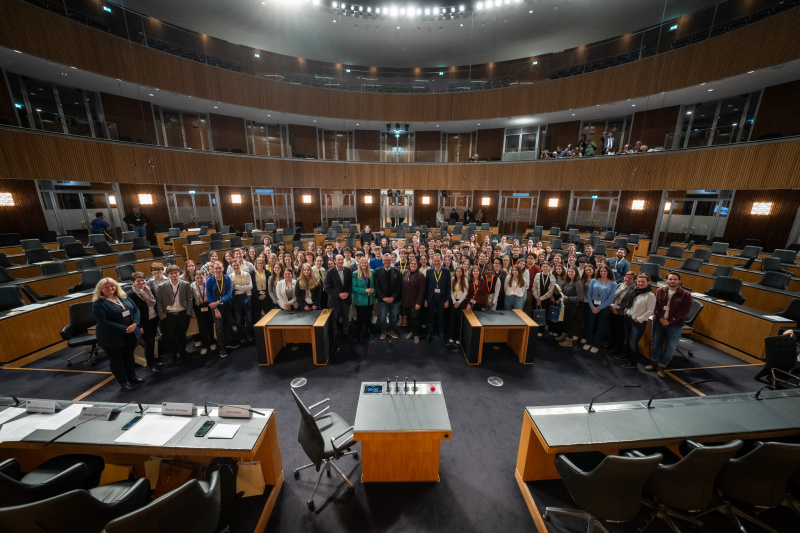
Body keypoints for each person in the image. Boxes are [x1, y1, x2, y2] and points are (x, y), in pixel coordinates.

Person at [92, 277, 142, 391]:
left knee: (129, 356)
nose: (110, 288)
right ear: (100, 289)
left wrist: (135, 323)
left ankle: (132, 377)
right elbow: (103, 322)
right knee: (117, 360)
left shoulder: (123, 297)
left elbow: (136, 310)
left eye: (112, 286)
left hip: (130, 333)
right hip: (112, 336)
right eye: (106, 287)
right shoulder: (98, 304)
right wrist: (125, 328)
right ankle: (124, 382)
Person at [649, 272, 693, 378]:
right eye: (670, 279)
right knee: (655, 344)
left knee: (670, 347)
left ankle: (661, 366)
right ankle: (653, 363)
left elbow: (684, 311)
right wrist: (660, 318)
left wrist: (670, 320)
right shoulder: (660, 291)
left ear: (679, 281)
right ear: (666, 280)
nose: (672, 281)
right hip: (659, 322)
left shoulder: (686, 294)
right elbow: (655, 306)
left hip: (675, 325)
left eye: (675, 279)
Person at [156, 264, 193, 365]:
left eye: (175, 273)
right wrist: (162, 316)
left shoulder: (185, 284)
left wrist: (188, 312)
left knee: (182, 335)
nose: (174, 275)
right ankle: (172, 355)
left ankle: (183, 352)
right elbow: (159, 302)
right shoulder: (161, 286)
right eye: (171, 273)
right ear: (167, 275)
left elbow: (190, 299)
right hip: (169, 316)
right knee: (170, 337)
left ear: (179, 273)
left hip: (182, 314)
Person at [129, 271, 163, 373]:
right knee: (149, 343)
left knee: (153, 341)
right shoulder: (131, 295)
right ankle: (151, 364)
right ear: (133, 282)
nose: (141, 283)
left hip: (153, 318)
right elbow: (133, 312)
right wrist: (139, 326)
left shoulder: (149, 289)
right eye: (138, 281)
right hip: (143, 323)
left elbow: (154, 304)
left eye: (143, 280)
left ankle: (154, 361)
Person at [619, 273, 656, 369]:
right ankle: (627, 356)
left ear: (648, 282)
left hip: (638, 321)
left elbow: (650, 311)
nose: (640, 283)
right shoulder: (635, 291)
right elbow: (631, 304)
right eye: (639, 281)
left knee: (633, 342)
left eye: (643, 281)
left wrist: (640, 319)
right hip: (628, 317)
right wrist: (627, 310)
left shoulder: (650, 295)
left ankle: (633, 362)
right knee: (627, 339)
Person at [584, 265, 617, 353]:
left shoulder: (613, 283)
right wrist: (592, 307)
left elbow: (610, 299)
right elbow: (589, 295)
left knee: (600, 327)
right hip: (592, 305)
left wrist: (599, 308)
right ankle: (588, 342)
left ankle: (597, 344)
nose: (602, 273)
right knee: (590, 325)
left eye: (604, 271)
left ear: (608, 272)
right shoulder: (594, 280)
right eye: (601, 271)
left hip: (604, 307)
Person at [207, 261, 236, 357]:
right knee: (219, 327)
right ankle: (222, 349)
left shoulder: (227, 278)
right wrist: (215, 308)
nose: (218, 270)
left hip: (226, 304)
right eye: (216, 268)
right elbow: (209, 296)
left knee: (227, 325)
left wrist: (219, 301)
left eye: (220, 268)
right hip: (216, 307)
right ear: (213, 269)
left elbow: (229, 293)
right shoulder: (209, 281)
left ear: (223, 268)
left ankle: (228, 343)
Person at [609, 270, 637, 355]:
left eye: (630, 278)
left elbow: (628, 302)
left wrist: (615, 307)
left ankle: (617, 347)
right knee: (613, 329)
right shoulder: (620, 285)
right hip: (613, 309)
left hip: (621, 312)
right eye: (626, 277)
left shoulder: (634, 289)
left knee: (619, 331)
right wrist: (612, 306)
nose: (627, 279)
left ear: (634, 280)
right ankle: (612, 343)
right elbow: (612, 296)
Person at [424, 253, 451, 343]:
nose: (436, 262)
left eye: (438, 260)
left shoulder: (446, 271)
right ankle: (429, 334)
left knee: (441, 317)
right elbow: (426, 286)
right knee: (430, 317)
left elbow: (448, 287)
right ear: (432, 261)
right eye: (435, 261)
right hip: (431, 298)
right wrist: (426, 299)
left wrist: (447, 300)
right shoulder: (429, 271)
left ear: (441, 260)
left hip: (442, 299)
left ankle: (441, 333)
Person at [375, 253, 402, 340]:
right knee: (382, 316)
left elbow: (399, 286)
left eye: (388, 260)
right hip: (383, 299)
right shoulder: (377, 271)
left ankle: (391, 330)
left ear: (391, 261)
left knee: (393, 316)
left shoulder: (397, 271)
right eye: (385, 260)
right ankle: (383, 331)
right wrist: (383, 297)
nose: (387, 262)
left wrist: (393, 297)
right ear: (382, 261)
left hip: (394, 299)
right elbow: (377, 286)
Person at [324, 255, 353, 336]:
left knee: (346, 317)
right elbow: (327, 288)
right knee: (334, 318)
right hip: (334, 300)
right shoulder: (329, 272)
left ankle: (345, 332)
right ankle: (334, 334)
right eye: (338, 259)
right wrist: (338, 294)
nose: (340, 261)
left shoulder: (348, 270)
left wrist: (348, 293)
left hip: (346, 299)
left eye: (341, 259)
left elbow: (350, 285)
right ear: (335, 261)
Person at [557, 266, 585, 347]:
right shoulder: (568, 281)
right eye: (569, 272)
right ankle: (564, 335)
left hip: (572, 306)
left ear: (576, 273)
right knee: (565, 321)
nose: (570, 273)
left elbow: (580, 297)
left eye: (572, 272)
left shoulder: (578, 282)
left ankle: (569, 340)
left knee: (570, 323)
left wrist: (568, 297)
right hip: (566, 304)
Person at [400, 257, 425, 344]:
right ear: (409, 265)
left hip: (415, 302)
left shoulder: (420, 276)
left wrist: (418, 302)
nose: (413, 265)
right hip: (406, 301)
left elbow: (422, 291)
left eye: (415, 264)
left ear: (417, 265)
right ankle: (411, 331)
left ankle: (416, 335)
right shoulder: (405, 273)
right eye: (411, 264)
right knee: (409, 318)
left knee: (415, 318)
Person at [229, 259, 253, 344]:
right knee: (239, 320)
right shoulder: (230, 277)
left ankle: (249, 334)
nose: (236, 267)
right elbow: (231, 289)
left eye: (237, 265)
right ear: (231, 266)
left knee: (249, 318)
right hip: (235, 299)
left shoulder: (246, 274)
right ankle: (242, 336)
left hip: (246, 297)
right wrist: (243, 287)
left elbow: (250, 287)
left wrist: (237, 287)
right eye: (234, 265)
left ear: (240, 265)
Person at [352, 257, 376, 340]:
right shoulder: (355, 273)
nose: (363, 264)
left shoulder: (372, 272)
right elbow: (354, 288)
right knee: (360, 317)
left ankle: (368, 331)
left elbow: (375, 284)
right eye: (362, 263)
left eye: (365, 263)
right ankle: (360, 332)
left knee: (368, 316)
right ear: (359, 264)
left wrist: (373, 289)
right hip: (360, 300)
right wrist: (365, 290)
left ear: (367, 264)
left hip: (370, 299)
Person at [191, 271, 215, 355]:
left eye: (201, 277)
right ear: (194, 278)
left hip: (209, 305)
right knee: (202, 327)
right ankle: (204, 345)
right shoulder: (192, 286)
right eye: (197, 278)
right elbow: (191, 300)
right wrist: (192, 311)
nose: (199, 279)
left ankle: (212, 342)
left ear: (205, 276)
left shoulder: (209, 283)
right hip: (199, 307)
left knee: (211, 325)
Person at [251, 256, 272, 324]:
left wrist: (265, 294)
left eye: (261, 263)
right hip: (256, 296)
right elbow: (252, 286)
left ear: (264, 264)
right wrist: (258, 296)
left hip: (266, 295)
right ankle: (259, 332)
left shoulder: (268, 273)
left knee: (268, 314)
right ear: (256, 264)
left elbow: (270, 285)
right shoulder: (252, 273)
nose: (260, 265)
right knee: (257, 315)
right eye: (258, 263)